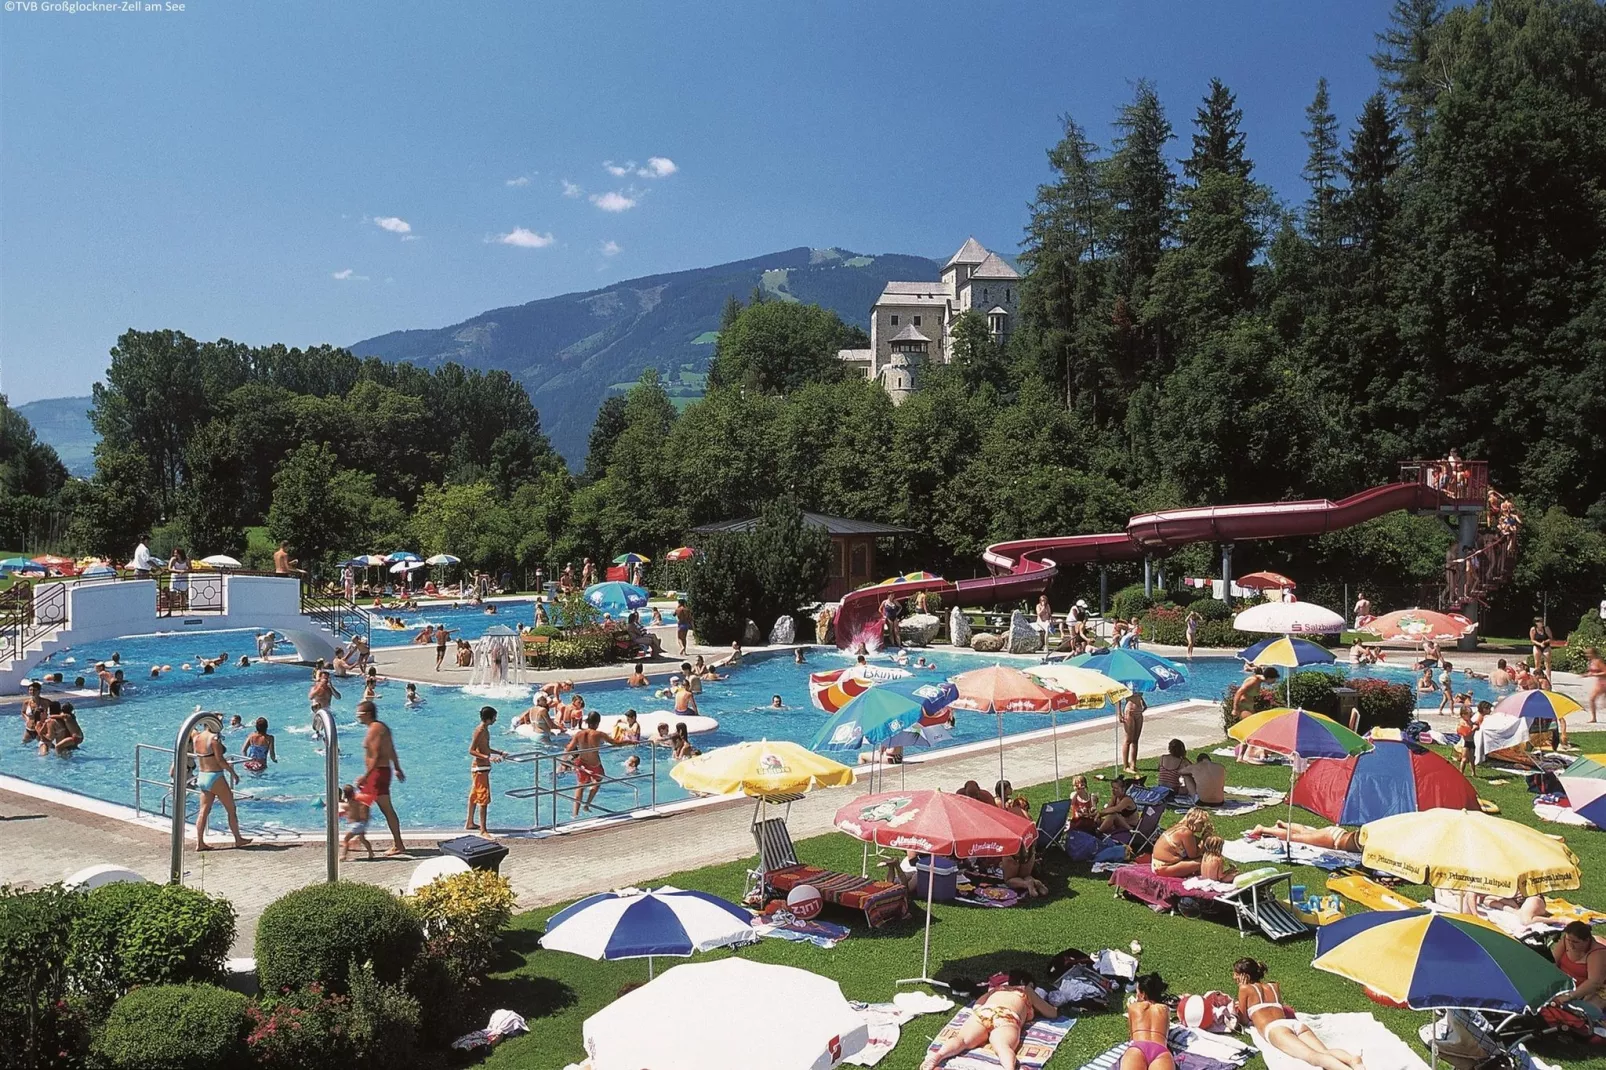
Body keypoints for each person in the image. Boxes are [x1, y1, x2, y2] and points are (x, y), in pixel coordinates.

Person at [1233, 959, 1362, 1070]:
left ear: (1245, 976)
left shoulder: (1245, 989)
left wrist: (1241, 989)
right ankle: (1351, 1060)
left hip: (1276, 1029)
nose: (1234, 977)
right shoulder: (1273, 986)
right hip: (1294, 1024)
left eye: (1236, 974)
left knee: (1312, 1056)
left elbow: (1244, 1020)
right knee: (1324, 1051)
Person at [919, 970, 1057, 1070]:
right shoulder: (1026, 990)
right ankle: (1009, 1068)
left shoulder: (996, 989)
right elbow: (1051, 1013)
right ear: (1029, 983)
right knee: (1003, 1046)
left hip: (985, 1012)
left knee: (962, 1040)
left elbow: (977, 1006)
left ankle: (938, 1056)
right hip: (1006, 1016)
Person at [356, 700, 407, 856]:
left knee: (362, 807)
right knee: (380, 809)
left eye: (359, 714)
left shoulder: (374, 729)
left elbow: (376, 755)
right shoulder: (383, 727)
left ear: (368, 714)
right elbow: (391, 749)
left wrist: (365, 777)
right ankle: (396, 843)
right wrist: (397, 768)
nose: (357, 716)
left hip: (376, 774)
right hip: (384, 772)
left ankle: (358, 840)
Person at [191, 721, 251, 851]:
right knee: (231, 809)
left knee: (203, 811)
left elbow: (191, 728)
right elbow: (220, 760)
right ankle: (238, 839)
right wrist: (233, 773)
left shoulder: (196, 737)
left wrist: (196, 714)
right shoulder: (214, 740)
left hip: (202, 776)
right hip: (215, 776)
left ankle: (200, 842)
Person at [466, 706, 508, 834]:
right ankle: (483, 830)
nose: (496, 720)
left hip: (482, 767)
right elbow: (471, 750)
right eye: (494, 717)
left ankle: (470, 823)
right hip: (480, 768)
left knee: (474, 796)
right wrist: (488, 758)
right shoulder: (479, 730)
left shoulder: (485, 730)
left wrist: (499, 752)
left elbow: (485, 748)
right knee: (483, 799)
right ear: (489, 718)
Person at [1121, 973, 1175, 1070]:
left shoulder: (1134, 1007)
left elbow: (1131, 1036)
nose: (1136, 994)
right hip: (1161, 1051)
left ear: (1143, 994)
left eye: (1137, 991)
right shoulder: (1165, 1010)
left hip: (1138, 1049)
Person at [1549, 921, 1606, 1011]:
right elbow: (1552, 962)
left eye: (1575, 942)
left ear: (1587, 940)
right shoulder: (1565, 941)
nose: (1571, 945)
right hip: (1565, 984)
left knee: (1582, 1013)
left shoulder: (1598, 953)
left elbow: (1594, 982)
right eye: (1569, 940)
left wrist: (1570, 996)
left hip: (1589, 991)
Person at [565, 712, 613, 816]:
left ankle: (574, 814)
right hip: (594, 763)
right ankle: (586, 804)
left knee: (580, 786)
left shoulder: (579, 734)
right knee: (598, 780)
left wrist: (563, 761)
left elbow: (569, 748)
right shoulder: (599, 734)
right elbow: (615, 743)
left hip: (581, 762)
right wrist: (628, 742)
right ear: (597, 722)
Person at [1152, 808, 1213, 878]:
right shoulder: (1185, 833)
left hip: (1158, 865)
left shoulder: (1180, 828)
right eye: (1202, 823)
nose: (1203, 826)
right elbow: (1193, 855)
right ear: (1194, 821)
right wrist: (1204, 838)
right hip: (1163, 867)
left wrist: (1203, 837)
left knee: (1204, 857)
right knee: (1204, 861)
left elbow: (1195, 843)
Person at [1245, 820, 1361, 853]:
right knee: (1295, 837)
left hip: (1336, 833)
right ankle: (1263, 829)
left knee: (1304, 832)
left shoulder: (1370, 834)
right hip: (1333, 840)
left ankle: (1283, 824)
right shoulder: (1372, 843)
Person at [339, 784, 373, 861]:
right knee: (363, 839)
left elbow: (344, 807)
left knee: (346, 840)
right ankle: (371, 853)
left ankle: (343, 856)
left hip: (355, 825)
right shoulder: (358, 802)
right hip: (361, 823)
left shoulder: (348, 803)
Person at [1119, 692, 1146, 774]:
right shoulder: (1127, 683)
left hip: (1139, 711)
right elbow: (1118, 698)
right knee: (1128, 740)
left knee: (1135, 740)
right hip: (1129, 712)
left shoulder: (1139, 683)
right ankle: (1125, 766)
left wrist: (1144, 703)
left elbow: (1139, 696)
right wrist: (1119, 713)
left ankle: (1133, 764)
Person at [166, 547, 190, 615]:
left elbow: (190, 568)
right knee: (172, 595)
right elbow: (169, 569)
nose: (175, 554)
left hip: (183, 578)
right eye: (174, 553)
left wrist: (185, 571)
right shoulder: (173, 559)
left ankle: (182, 611)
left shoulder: (187, 559)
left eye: (176, 553)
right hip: (175, 578)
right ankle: (169, 612)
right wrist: (178, 571)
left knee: (182, 595)